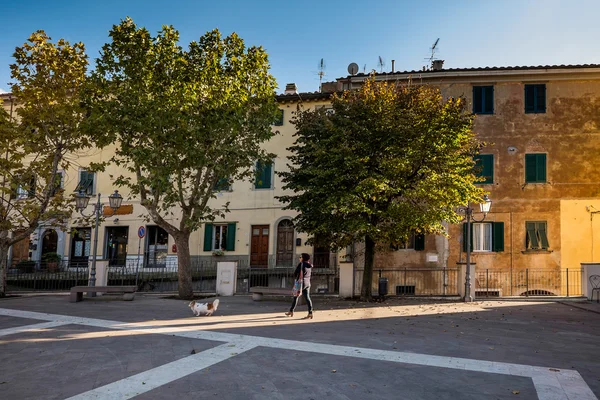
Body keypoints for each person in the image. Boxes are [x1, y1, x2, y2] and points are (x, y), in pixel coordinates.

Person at [285, 253, 313, 319]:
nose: (299, 258)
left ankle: (291, 311)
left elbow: (295, 273)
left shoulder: (301, 264)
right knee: (307, 298)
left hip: (300, 283)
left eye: (300, 257)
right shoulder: (309, 265)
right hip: (307, 283)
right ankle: (310, 313)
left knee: (295, 297)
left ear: (303, 258)